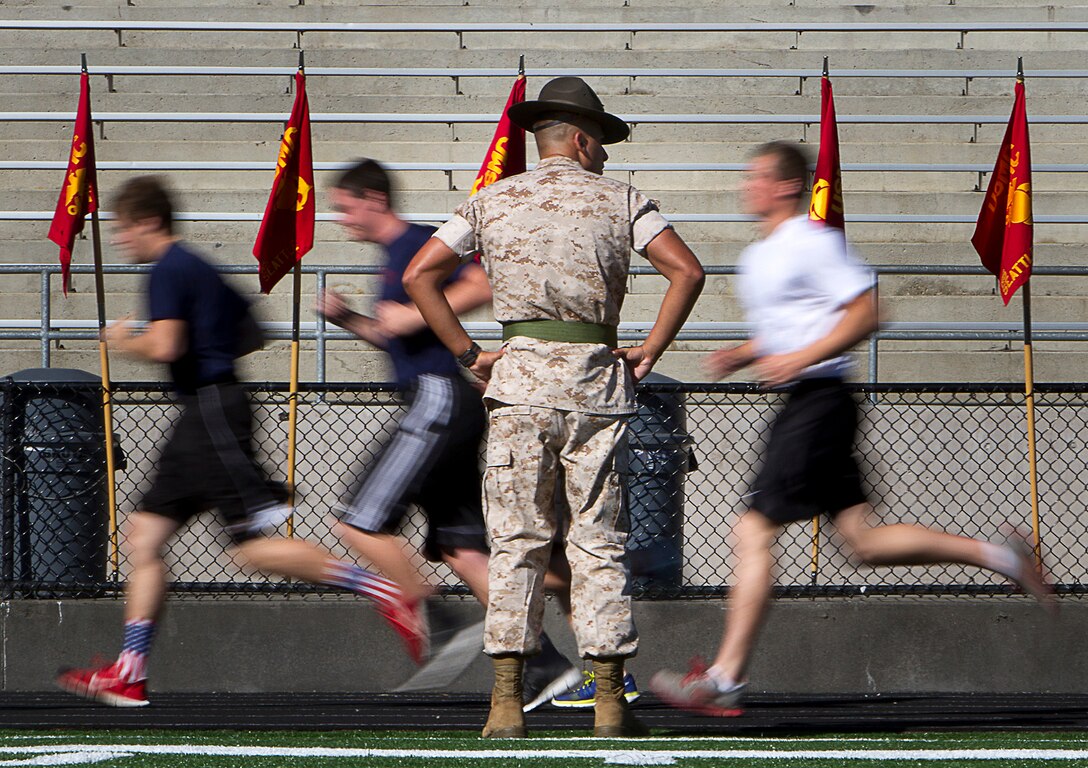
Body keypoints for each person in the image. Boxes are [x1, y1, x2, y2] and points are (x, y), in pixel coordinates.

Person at [648, 140, 1054, 716]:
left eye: (757, 177)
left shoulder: (813, 242)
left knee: (753, 530)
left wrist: (800, 357)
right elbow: (799, 324)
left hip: (818, 401)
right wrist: (748, 351)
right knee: (861, 542)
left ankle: (725, 677)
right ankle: (1003, 557)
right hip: (810, 401)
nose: (747, 186)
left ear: (786, 185)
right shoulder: (762, 253)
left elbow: (868, 310)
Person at [404, 76, 706, 738]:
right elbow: (688, 270)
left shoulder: (489, 200)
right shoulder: (623, 201)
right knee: (597, 542)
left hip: (518, 388)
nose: (604, 157)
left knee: (517, 542)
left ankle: (506, 702)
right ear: (582, 138)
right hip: (597, 388)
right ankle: (607, 704)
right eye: (601, 145)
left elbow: (418, 275)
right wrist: (651, 349)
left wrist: (467, 354)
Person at [56, 176, 425, 708]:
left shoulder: (169, 269)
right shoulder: (198, 268)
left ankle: (383, 589)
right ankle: (129, 670)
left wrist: (122, 340)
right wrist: (210, 345)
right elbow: (256, 331)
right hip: (203, 414)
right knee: (143, 538)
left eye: (121, 229)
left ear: (148, 222)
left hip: (212, 416)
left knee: (250, 550)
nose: (118, 241)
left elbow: (165, 343)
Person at [317, 159, 581, 711]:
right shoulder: (392, 258)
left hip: (437, 399)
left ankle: (439, 621)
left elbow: (480, 282)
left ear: (372, 199)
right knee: (463, 548)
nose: (342, 220)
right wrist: (351, 321)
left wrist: (413, 314)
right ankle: (547, 667)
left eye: (345, 207)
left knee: (357, 520)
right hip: (439, 399)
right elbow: (399, 337)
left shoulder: (416, 241)